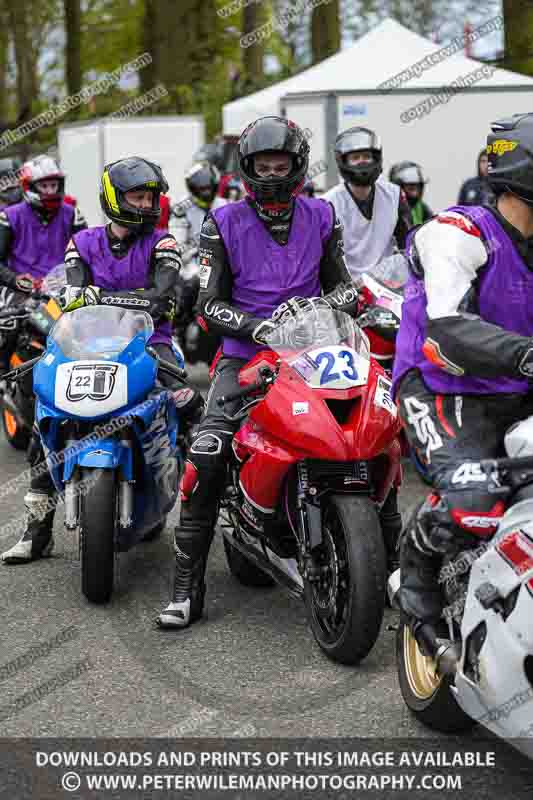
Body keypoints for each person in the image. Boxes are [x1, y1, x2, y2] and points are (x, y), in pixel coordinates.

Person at [157, 115, 366, 630]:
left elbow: (346, 288)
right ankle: (186, 588)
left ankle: (390, 567)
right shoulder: (221, 222)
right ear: (247, 168)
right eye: (263, 166)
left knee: (371, 434)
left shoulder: (323, 215)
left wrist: (316, 310)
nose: (272, 175)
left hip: (318, 349)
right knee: (207, 453)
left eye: (281, 165)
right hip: (243, 357)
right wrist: (261, 327)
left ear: (298, 166)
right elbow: (208, 305)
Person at [0, 156, 203, 565]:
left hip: (150, 342)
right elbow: (74, 296)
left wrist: (102, 296)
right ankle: (37, 531)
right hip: (85, 343)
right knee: (45, 416)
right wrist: (104, 298)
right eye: (137, 197)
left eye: (150, 198)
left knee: (189, 403)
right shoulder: (82, 242)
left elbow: (162, 300)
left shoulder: (164, 243)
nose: (146, 205)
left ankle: (202, 513)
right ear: (114, 197)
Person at [391, 112, 533, 659]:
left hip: (518, 386)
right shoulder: (458, 231)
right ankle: (415, 580)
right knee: (474, 499)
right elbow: (446, 333)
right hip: (442, 388)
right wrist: (525, 354)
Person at [0, 155, 87, 377]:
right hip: (20, 290)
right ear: (29, 187)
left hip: (62, 290)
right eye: (44, 186)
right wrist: (14, 280)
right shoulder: (8, 217)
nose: (50, 191)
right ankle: (3, 375)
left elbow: (89, 256)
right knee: (9, 325)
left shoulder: (72, 214)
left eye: (54, 185)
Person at [323, 126, 413, 280]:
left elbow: (408, 243)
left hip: (387, 284)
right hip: (347, 286)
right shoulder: (328, 203)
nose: (361, 162)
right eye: (355, 157)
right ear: (343, 161)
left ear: (376, 158)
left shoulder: (394, 195)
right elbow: (326, 258)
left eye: (366, 156)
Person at [389, 161, 433, 226]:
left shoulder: (422, 208)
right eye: (410, 188)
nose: (414, 192)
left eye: (417, 186)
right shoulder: (390, 208)